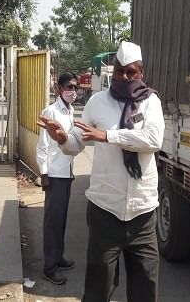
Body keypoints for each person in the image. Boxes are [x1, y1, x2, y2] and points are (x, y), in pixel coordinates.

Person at [38, 42, 165, 302]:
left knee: (145, 289)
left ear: (141, 71)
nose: (124, 78)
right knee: (98, 289)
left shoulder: (151, 102)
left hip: (143, 213)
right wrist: (62, 138)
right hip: (105, 212)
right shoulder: (98, 102)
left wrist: (107, 136)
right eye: (119, 71)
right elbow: (75, 144)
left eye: (131, 72)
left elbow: (153, 140)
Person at [36, 72, 78, 285]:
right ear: (59, 88)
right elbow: (42, 145)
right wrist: (43, 174)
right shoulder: (50, 112)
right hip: (54, 174)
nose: (73, 91)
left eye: (75, 87)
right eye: (69, 87)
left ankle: (58, 257)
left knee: (61, 220)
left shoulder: (69, 111)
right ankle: (50, 267)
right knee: (52, 222)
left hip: (66, 173)